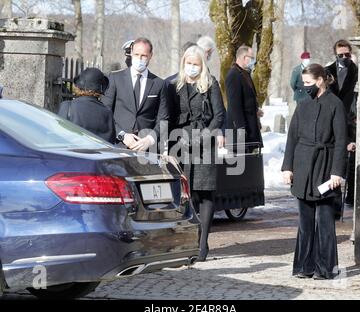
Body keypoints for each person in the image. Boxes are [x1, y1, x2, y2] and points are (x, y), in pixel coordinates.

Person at [281, 63, 348, 280]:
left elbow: (340, 141)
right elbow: (292, 138)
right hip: (302, 166)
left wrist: (337, 171)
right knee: (305, 220)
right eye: (303, 83)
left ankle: (325, 268)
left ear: (320, 80)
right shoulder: (302, 105)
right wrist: (287, 167)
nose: (305, 86)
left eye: (308, 83)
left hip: (326, 166)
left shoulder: (335, 104)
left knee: (326, 219)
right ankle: (303, 267)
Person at [167, 45, 225, 262]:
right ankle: (187, 239)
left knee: (205, 191)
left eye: (196, 64)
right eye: (188, 63)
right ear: (183, 63)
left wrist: (206, 136)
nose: (192, 67)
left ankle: (202, 242)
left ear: (202, 65)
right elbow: (169, 116)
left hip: (204, 142)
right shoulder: (174, 85)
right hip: (180, 142)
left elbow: (219, 115)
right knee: (186, 191)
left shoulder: (210, 84)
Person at [102, 37, 168, 152]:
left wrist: (150, 139)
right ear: (131, 53)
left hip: (146, 149)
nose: (140, 58)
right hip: (118, 145)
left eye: (144, 55)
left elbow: (163, 119)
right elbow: (105, 112)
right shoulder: (115, 78)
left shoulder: (159, 84)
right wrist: (121, 135)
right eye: (137, 54)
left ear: (150, 55)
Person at [326, 40, 358, 207]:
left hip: (351, 119)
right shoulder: (328, 72)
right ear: (336, 55)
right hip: (332, 121)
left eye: (347, 54)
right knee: (334, 161)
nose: (344, 57)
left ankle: (351, 197)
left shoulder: (358, 70)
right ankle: (334, 200)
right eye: (341, 55)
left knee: (351, 161)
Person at [58, 67, 115, 143]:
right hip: (97, 154)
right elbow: (110, 141)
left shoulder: (67, 106)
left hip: (72, 153)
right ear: (101, 89)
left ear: (78, 87)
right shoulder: (107, 112)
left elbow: (57, 135)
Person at [225, 45, 263, 152]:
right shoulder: (233, 75)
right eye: (251, 57)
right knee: (239, 164)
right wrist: (241, 129)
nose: (253, 61)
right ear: (243, 57)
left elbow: (247, 99)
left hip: (249, 127)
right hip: (239, 129)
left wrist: (255, 110)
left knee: (250, 164)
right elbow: (234, 105)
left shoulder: (244, 73)